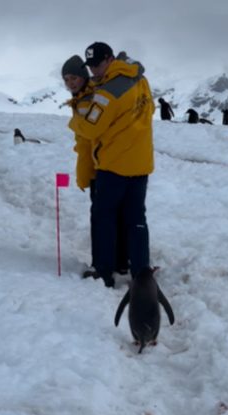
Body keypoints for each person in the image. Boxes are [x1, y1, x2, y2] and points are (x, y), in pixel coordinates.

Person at [68, 42, 155, 288]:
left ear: (110, 59)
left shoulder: (107, 92)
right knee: (136, 217)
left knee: (104, 217)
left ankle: (103, 271)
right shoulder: (140, 78)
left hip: (113, 166)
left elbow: (89, 127)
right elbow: (151, 109)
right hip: (141, 162)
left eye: (98, 64)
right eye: (91, 66)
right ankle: (140, 270)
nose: (95, 70)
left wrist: (74, 122)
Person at [62, 55, 129, 279]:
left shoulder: (88, 100)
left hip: (101, 165)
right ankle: (120, 262)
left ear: (84, 77)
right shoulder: (85, 96)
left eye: (74, 78)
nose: (70, 83)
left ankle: (103, 266)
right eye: (66, 80)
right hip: (103, 164)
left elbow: (89, 137)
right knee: (115, 215)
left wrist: (87, 174)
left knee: (102, 218)